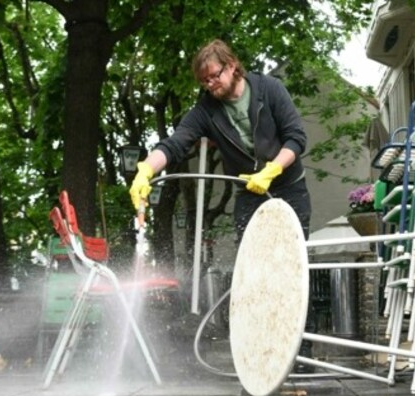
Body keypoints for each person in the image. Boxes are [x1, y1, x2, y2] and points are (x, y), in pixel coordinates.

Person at [129, 39, 315, 373]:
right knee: (252, 276)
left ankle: (302, 356)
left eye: (213, 76)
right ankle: (261, 354)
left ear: (231, 66)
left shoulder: (269, 89)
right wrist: (146, 169)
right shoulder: (205, 111)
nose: (209, 85)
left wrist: (273, 169)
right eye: (203, 81)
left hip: (289, 187)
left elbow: (296, 138)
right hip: (248, 192)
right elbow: (175, 144)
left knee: (293, 270)